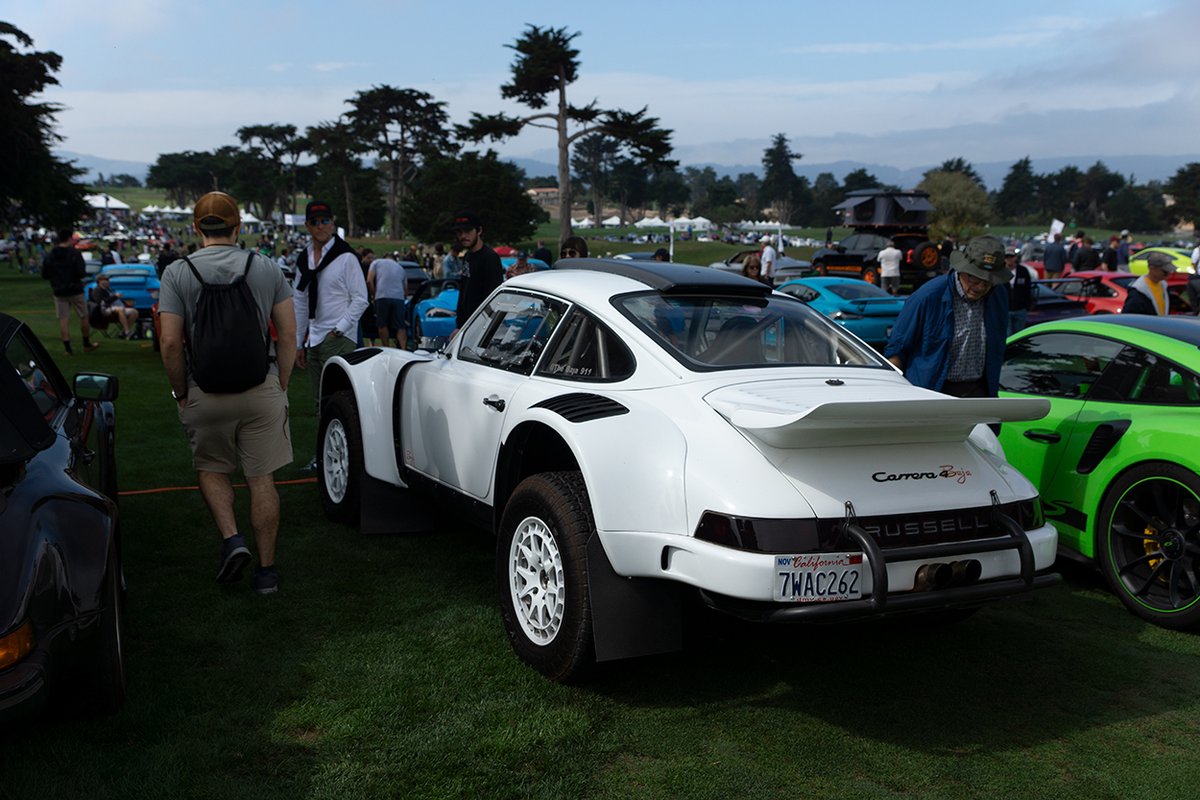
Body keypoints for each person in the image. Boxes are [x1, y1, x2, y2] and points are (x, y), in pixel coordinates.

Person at [158, 191, 296, 595]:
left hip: (205, 390)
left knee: (213, 470)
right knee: (261, 479)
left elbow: (169, 343)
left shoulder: (177, 272)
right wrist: (282, 383)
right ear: (238, 227)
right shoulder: (266, 267)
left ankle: (233, 538)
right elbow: (288, 334)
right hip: (260, 388)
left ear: (197, 228)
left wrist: (180, 391)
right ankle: (267, 572)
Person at [884, 235, 1012, 398]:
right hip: (932, 392)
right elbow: (896, 351)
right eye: (975, 279)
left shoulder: (998, 295)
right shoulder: (928, 296)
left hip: (979, 391)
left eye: (988, 282)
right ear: (962, 269)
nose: (980, 287)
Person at [293, 200, 368, 466]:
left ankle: (348, 458)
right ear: (307, 226)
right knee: (320, 403)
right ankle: (325, 457)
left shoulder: (345, 257)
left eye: (325, 220)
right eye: (315, 221)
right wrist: (298, 342)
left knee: (341, 402)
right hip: (314, 338)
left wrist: (340, 329)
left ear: (333, 222)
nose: (321, 226)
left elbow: (361, 299)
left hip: (337, 338)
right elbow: (299, 301)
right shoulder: (304, 258)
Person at [42, 228, 99, 354]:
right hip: (75, 289)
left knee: (63, 318)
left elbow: (45, 273)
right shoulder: (74, 253)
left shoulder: (51, 255)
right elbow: (81, 272)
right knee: (83, 316)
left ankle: (68, 348)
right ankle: (86, 343)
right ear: (69, 239)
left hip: (59, 290)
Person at [451, 210, 504, 331]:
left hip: (482, 328)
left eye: (468, 231)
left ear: (479, 231)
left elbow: (494, 298)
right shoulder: (467, 257)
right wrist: (459, 326)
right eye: (459, 232)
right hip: (466, 326)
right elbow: (464, 292)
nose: (463, 236)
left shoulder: (490, 258)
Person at [364, 250, 408, 349]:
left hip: (382, 297)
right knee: (401, 326)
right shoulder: (401, 268)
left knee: (382, 324)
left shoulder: (376, 262)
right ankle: (403, 348)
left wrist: (373, 295)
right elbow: (406, 291)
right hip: (398, 298)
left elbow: (369, 281)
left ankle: (386, 347)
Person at [1121, 251, 1175, 316]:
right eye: (1165, 272)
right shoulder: (1138, 291)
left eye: (1169, 272)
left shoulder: (1163, 286)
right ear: (1152, 268)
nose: (1168, 275)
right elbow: (1128, 317)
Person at [89, 273, 139, 339]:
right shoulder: (97, 290)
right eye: (106, 279)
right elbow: (102, 302)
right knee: (120, 309)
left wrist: (125, 302)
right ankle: (127, 332)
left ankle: (123, 332)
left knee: (134, 312)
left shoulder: (108, 289)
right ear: (100, 281)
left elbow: (114, 300)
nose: (108, 281)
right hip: (104, 310)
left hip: (115, 308)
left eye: (108, 280)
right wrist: (115, 296)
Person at [1007, 249, 1035, 334]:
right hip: (1006, 309)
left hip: (1020, 309)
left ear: (1015, 257)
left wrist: (1027, 305)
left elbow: (1028, 289)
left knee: (1020, 334)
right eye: (1006, 257)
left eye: (1011, 257)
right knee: (1007, 335)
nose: (1008, 259)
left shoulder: (1023, 271)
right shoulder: (1000, 272)